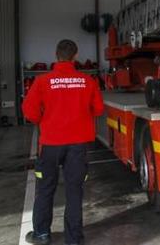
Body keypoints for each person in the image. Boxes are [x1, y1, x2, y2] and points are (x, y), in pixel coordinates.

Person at [22, 40, 104, 245]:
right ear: (75, 56)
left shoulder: (42, 81)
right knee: (74, 191)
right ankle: (74, 239)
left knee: (45, 189)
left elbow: (29, 111)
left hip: (50, 144)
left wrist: (46, 121)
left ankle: (41, 234)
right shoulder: (87, 81)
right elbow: (98, 109)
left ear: (56, 55)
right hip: (77, 145)